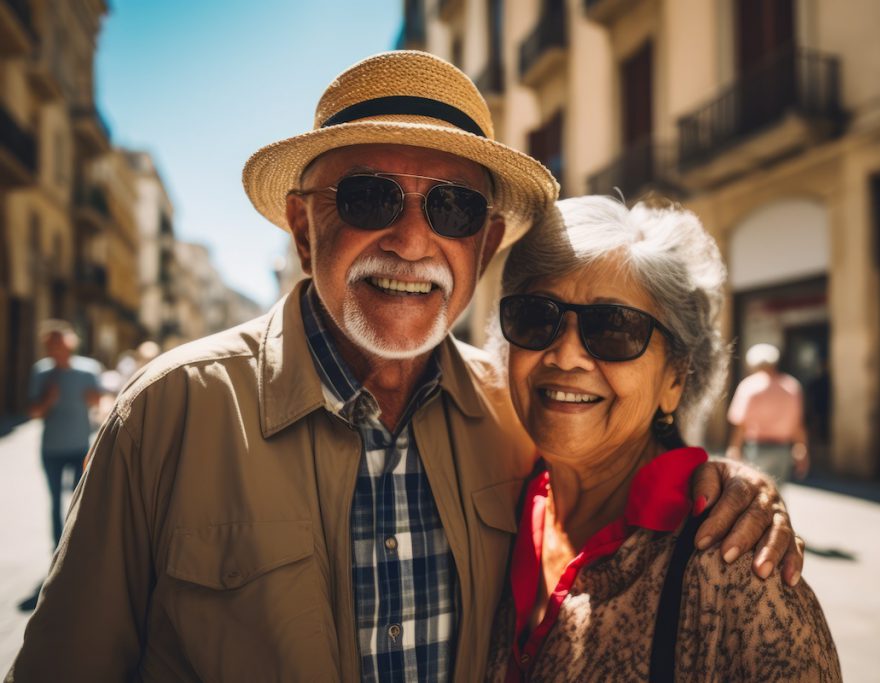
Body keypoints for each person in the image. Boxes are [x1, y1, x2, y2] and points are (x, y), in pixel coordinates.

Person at [9, 52, 802, 682]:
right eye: (369, 197)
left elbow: (621, 472)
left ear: (485, 244)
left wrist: (725, 482)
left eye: (452, 207)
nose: (413, 241)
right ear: (303, 224)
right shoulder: (169, 412)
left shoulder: (518, 412)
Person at [486, 196, 840, 681]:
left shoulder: (737, 571)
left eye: (614, 328)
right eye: (535, 318)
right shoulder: (494, 498)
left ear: (675, 378)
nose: (565, 355)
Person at [26, 321, 102, 548]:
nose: (54, 348)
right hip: (51, 448)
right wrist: (48, 399)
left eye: (58, 342)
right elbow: (35, 413)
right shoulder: (41, 371)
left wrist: (94, 399)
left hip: (80, 446)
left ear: (70, 344)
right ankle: (57, 546)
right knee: (55, 501)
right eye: (50, 344)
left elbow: (99, 402)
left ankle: (76, 542)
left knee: (79, 499)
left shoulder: (89, 369)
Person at [726, 343, 810, 484]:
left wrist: (734, 448)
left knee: (755, 492)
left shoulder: (749, 386)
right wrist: (801, 448)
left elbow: (740, 423)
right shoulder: (791, 386)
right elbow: (798, 424)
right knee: (777, 494)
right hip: (782, 449)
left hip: (757, 449)